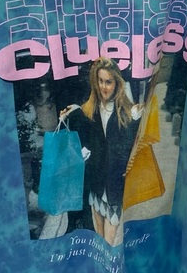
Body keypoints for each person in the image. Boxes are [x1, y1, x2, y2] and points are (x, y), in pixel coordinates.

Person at [60, 57, 142, 245]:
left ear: (117, 83)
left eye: (109, 82)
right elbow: (80, 137)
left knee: (109, 242)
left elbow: (133, 146)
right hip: (96, 185)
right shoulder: (89, 110)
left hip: (114, 187)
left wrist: (137, 117)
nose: (104, 87)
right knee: (98, 240)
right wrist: (68, 115)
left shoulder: (127, 113)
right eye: (100, 81)